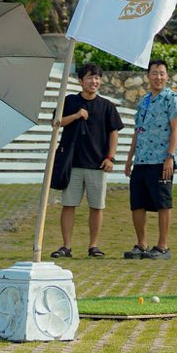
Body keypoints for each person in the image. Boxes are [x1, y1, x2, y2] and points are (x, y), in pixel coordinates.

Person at [50, 63, 123, 260]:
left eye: (97, 77)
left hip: (98, 163)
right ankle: (66, 246)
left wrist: (110, 158)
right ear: (81, 81)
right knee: (69, 204)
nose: (94, 81)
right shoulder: (70, 101)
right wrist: (75, 115)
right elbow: (56, 123)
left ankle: (93, 246)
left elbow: (113, 133)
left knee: (97, 206)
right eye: (90, 77)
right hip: (72, 163)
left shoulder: (107, 106)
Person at [123, 59, 177, 260]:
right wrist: (129, 158)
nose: (158, 77)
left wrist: (170, 156)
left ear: (167, 76)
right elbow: (137, 132)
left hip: (162, 160)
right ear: (147, 76)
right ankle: (141, 245)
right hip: (142, 160)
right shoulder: (144, 101)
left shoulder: (172, 99)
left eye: (162, 73)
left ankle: (162, 247)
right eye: (154, 73)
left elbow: (176, 129)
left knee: (162, 203)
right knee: (137, 203)